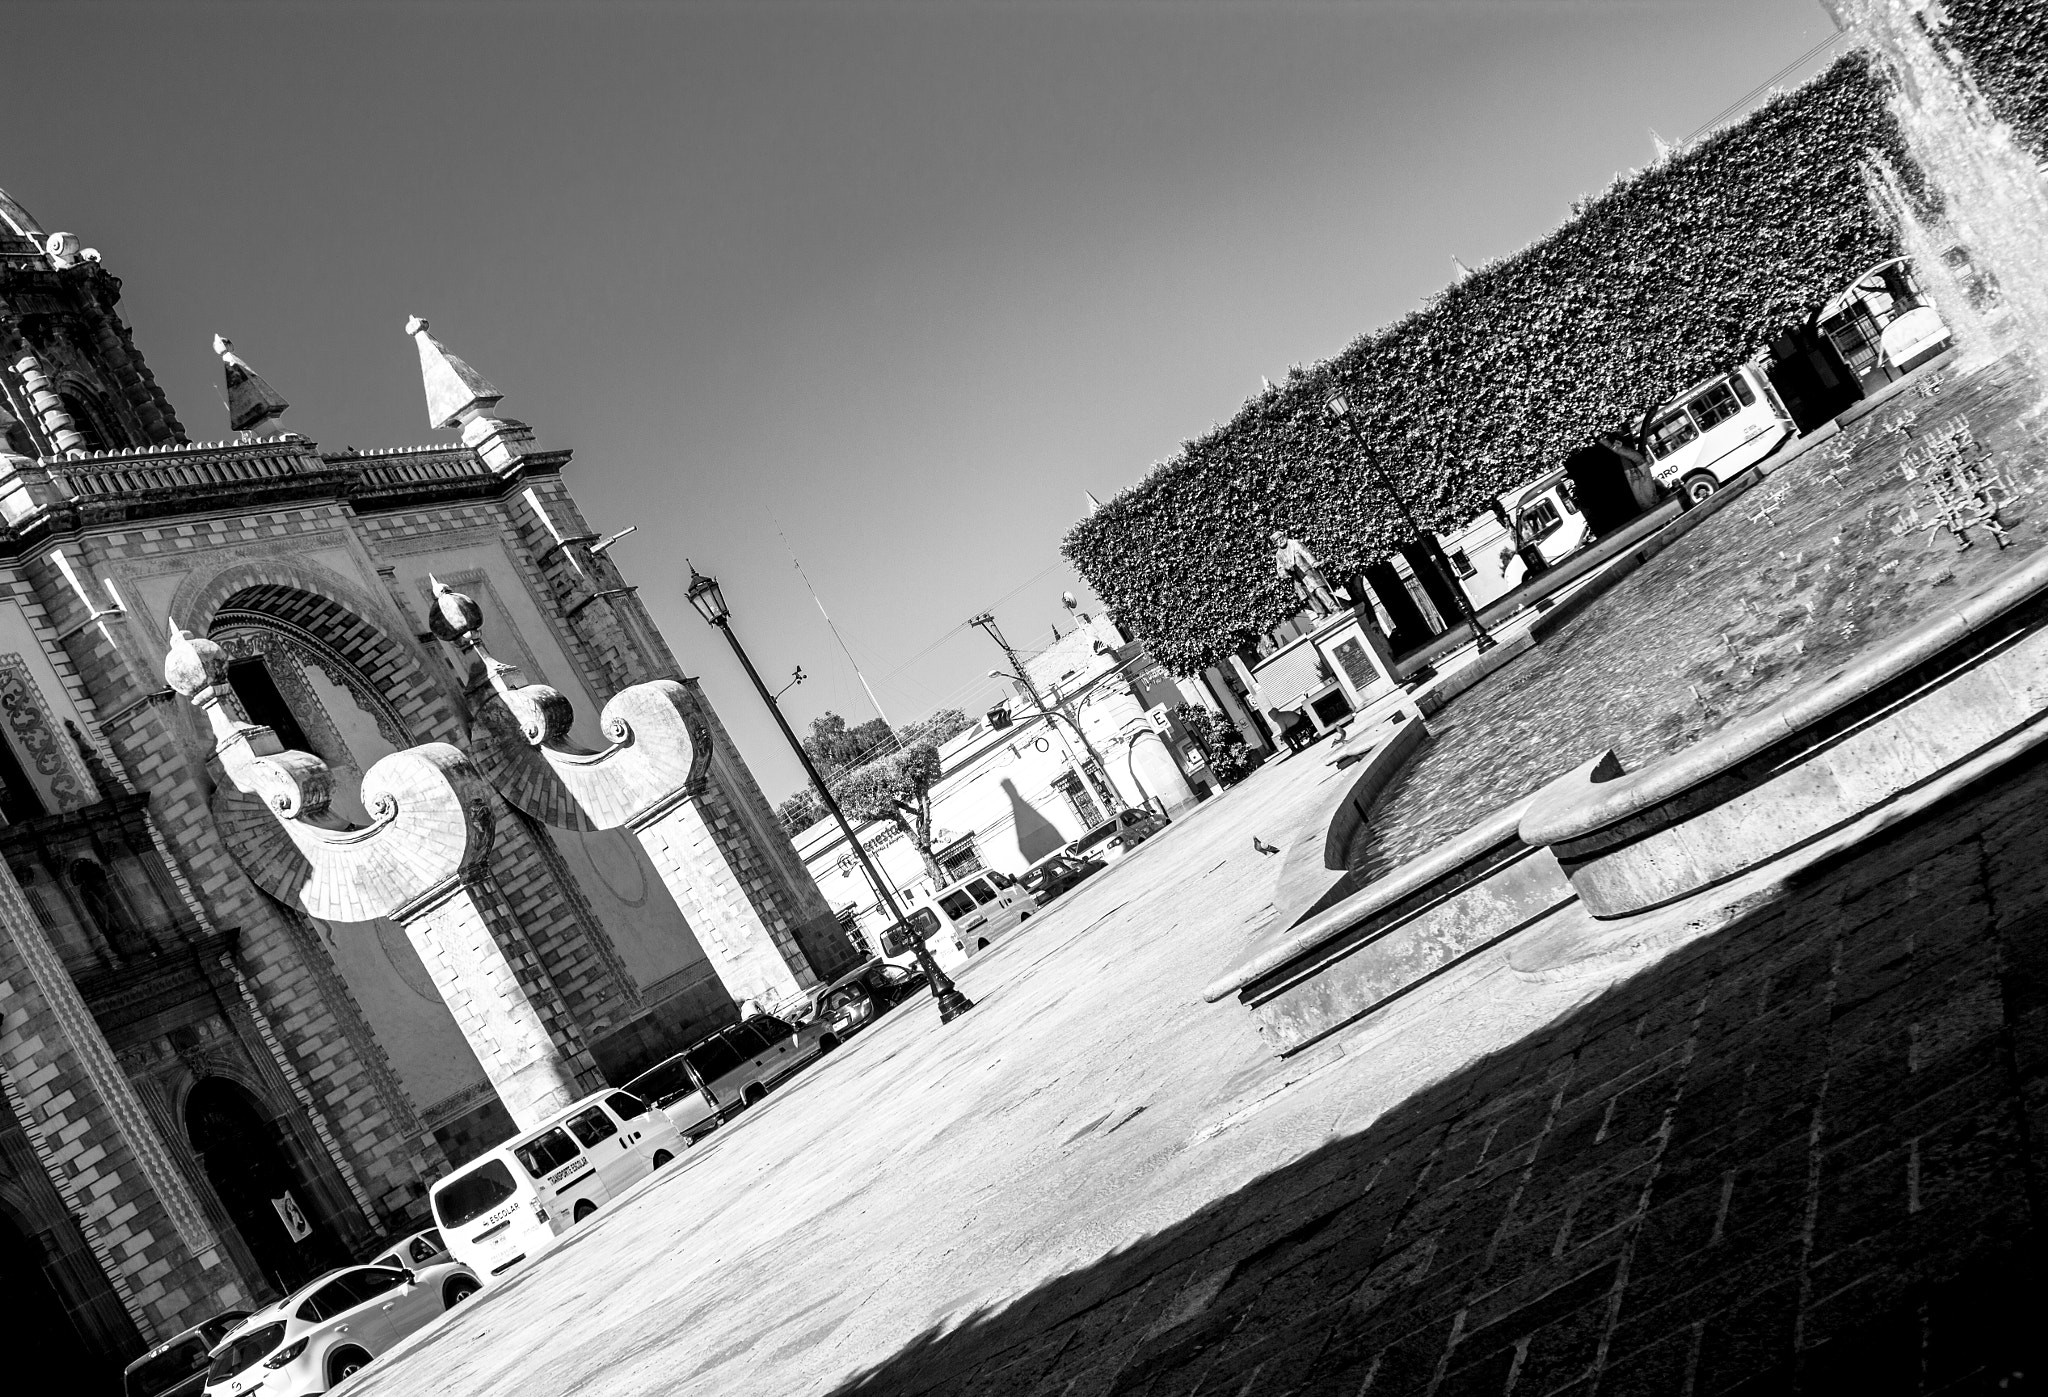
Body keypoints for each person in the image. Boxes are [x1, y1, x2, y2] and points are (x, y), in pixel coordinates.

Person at [1271, 531, 1340, 615]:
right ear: (1275, 543)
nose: (1280, 541)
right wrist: (1286, 570)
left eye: (1280, 537)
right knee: (1309, 596)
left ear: (1284, 536)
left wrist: (1313, 562)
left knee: (1318, 589)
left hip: (1307, 572)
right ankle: (1321, 613)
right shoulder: (1279, 554)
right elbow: (1280, 570)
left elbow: (1306, 553)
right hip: (1297, 578)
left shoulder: (1294, 543)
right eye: (1276, 540)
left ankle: (1333, 607)